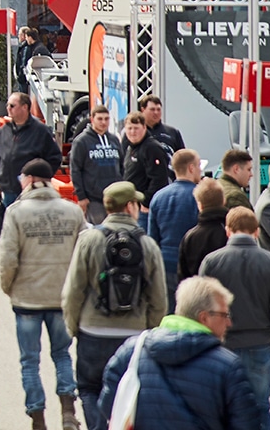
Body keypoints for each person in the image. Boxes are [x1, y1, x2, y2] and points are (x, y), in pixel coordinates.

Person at [60, 182, 166, 430]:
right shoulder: (147, 244)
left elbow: (73, 290)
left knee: (89, 388)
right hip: (132, 334)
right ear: (130, 207)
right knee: (129, 391)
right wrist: (149, 330)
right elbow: (158, 297)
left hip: (93, 331)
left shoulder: (89, 240)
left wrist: (75, 327)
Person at [97, 276, 262, 430]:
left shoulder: (133, 350)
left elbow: (109, 405)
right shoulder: (229, 366)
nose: (229, 322)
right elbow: (246, 424)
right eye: (224, 315)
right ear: (204, 317)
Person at [0, 158, 83, 430]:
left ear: (32, 180)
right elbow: (83, 255)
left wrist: (8, 287)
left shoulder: (16, 212)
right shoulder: (72, 212)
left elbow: (7, 257)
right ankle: (68, 409)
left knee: (29, 361)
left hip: (27, 299)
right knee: (62, 355)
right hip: (61, 297)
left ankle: (37, 416)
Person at [198, 207, 270, 424]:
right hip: (260, 341)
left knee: (222, 405)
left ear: (228, 231)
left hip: (223, 343)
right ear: (257, 231)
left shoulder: (212, 261)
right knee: (258, 405)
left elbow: (201, 304)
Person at [145, 148, 203, 307]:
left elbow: (152, 238)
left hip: (165, 264)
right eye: (198, 165)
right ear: (191, 168)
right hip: (191, 265)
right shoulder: (198, 197)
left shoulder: (158, 197)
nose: (200, 170)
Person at [0, 93, 62, 214]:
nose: (8, 108)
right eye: (7, 105)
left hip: (31, 192)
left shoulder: (40, 131)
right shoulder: (5, 130)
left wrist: (40, 179)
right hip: (8, 190)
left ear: (25, 107)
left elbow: (54, 158)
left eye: (12, 105)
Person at [66, 107, 123, 224]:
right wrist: (81, 196)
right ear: (92, 119)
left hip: (115, 197)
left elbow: (122, 166)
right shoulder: (81, 141)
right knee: (100, 231)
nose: (103, 122)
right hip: (93, 199)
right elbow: (75, 170)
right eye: (100, 119)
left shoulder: (114, 140)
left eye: (106, 119)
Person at [176, 179, 232, 283]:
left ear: (200, 205)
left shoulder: (190, 237)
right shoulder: (230, 232)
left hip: (199, 293)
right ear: (223, 200)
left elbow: (183, 276)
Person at [118, 115, 172, 207]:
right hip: (132, 203)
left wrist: (146, 202)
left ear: (144, 127)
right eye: (129, 128)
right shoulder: (130, 147)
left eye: (136, 128)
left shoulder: (152, 148)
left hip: (146, 206)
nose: (132, 132)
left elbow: (159, 179)